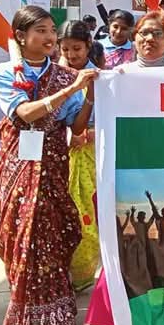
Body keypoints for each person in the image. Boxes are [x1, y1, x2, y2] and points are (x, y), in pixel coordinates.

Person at [0, 5, 97, 325]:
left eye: (52, 30)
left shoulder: (66, 77)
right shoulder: (5, 72)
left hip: (51, 166)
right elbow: (24, 113)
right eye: (41, 31)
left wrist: (89, 95)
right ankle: (30, 316)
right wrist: (72, 88)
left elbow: (77, 126)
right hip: (16, 165)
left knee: (45, 238)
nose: (50, 37)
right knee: (17, 240)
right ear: (21, 36)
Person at [57, 20, 101, 292]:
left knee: (86, 215)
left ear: (88, 47)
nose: (72, 55)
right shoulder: (52, 76)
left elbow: (109, 117)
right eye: (66, 49)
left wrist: (92, 132)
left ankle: (82, 274)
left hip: (89, 157)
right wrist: (67, 134)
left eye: (77, 48)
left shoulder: (100, 78)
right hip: (58, 156)